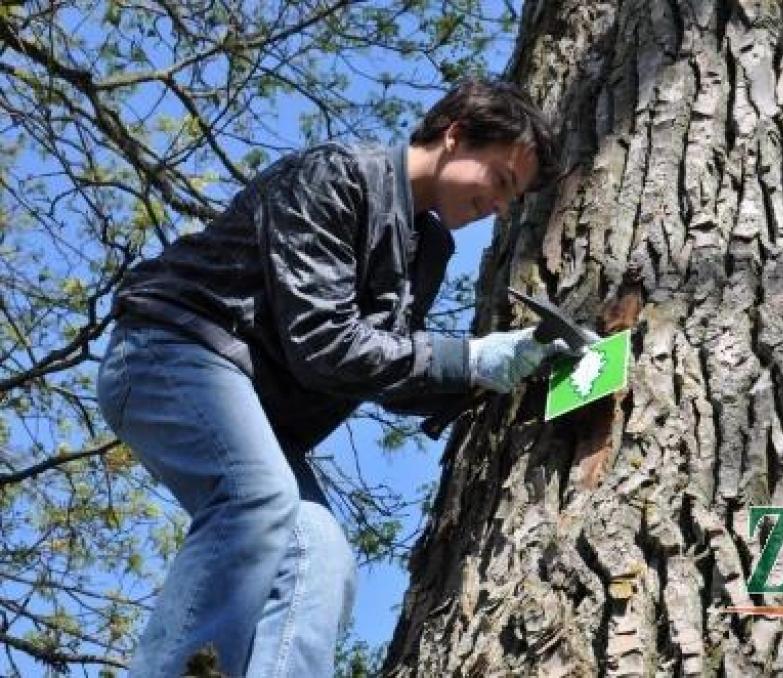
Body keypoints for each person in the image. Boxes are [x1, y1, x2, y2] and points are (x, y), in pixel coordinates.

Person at [96, 78, 569, 677]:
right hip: (173, 351)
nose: (500, 207)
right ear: (456, 136)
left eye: (512, 198)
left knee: (319, 562)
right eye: (501, 180)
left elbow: (384, 368)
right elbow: (324, 345)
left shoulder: (423, 251)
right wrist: (468, 359)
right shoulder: (340, 177)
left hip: (259, 419)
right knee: (256, 498)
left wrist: (489, 375)